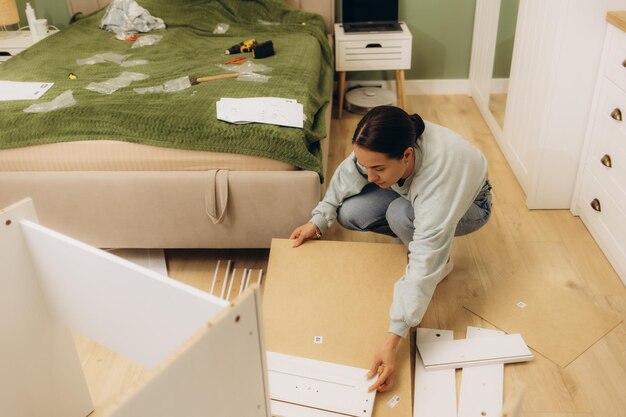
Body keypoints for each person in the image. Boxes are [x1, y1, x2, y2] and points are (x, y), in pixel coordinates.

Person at [290, 105, 492, 392]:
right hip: (411, 191)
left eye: (378, 169)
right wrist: (319, 220)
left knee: (401, 215)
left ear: (407, 155)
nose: (370, 177)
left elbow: (423, 261)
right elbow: (349, 173)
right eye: (366, 166)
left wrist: (393, 337)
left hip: (473, 203)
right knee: (350, 213)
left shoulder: (439, 184)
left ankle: (442, 260)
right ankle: (408, 224)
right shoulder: (385, 139)